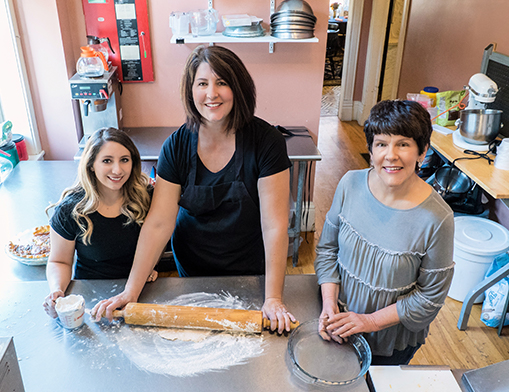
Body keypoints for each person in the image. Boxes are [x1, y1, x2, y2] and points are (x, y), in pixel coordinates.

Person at [92, 45, 296, 333]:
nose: (211, 94)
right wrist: (131, 291)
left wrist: (273, 298)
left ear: (238, 87)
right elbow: (160, 222)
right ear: (190, 91)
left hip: (250, 267)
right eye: (202, 83)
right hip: (192, 266)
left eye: (222, 82)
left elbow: (274, 225)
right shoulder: (175, 146)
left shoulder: (267, 142)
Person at [314, 100, 454, 365]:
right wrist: (329, 304)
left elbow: (430, 298)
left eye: (403, 144)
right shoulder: (350, 184)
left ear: (422, 152)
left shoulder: (438, 218)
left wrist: (369, 321)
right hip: (336, 325)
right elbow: (327, 250)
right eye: (381, 144)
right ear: (370, 149)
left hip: (388, 343)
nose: (391, 155)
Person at [43, 128, 158, 318]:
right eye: (107, 161)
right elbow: (59, 260)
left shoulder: (147, 197)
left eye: (124, 160)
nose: (117, 170)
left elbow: (160, 237)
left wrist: (152, 263)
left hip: (142, 290)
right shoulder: (70, 210)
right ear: (91, 165)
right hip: (91, 295)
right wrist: (57, 291)